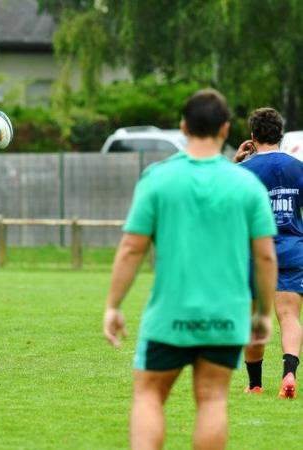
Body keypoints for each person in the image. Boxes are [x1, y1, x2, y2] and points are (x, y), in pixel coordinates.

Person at [103, 89, 277, 450]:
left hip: (170, 315)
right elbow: (264, 257)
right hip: (225, 316)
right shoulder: (247, 184)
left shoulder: (158, 177)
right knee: (213, 400)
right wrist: (262, 313)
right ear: (226, 129)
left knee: (149, 396)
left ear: (183, 126)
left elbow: (132, 248)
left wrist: (113, 305)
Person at [235, 108, 303, 398]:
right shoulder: (297, 167)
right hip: (292, 250)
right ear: (281, 134)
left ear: (252, 136)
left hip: (255, 255)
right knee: (289, 316)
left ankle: (255, 384)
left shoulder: (242, 171)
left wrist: (235, 162)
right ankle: (289, 373)